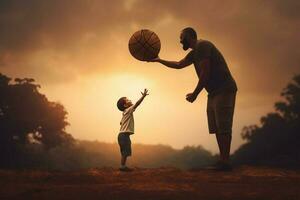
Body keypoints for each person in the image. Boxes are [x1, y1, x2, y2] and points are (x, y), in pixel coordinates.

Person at [149, 27, 237, 171]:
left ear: (190, 36)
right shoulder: (194, 52)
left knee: (224, 127)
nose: (180, 41)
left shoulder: (202, 46)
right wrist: (159, 60)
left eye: (181, 37)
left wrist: (195, 93)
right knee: (217, 127)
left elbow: (205, 72)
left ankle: (225, 162)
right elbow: (179, 65)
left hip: (224, 89)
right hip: (214, 92)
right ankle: (223, 161)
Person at [116, 89, 149, 171]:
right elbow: (137, 104)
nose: (130, 100)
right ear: (125, 106)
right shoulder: (129, 110)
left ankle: (123, 166)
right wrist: (143, 96)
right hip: (124, 135)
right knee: (125, 152)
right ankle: (122, 166)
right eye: (127, 100)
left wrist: (121, 123)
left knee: (125, 151)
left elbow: (121, 122)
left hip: (122, 135)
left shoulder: (125, 112)